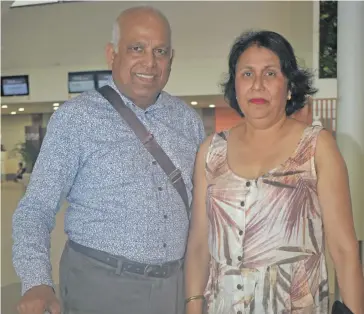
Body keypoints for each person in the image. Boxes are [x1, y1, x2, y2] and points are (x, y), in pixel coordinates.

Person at [13, 6, 205, 314]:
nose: (150, 62)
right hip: (100, 288)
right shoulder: (77, 118)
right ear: (111, 54)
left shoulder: (187, 121)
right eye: (136, 48)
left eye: (160, 51)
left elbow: (200, 212)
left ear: (172, 58)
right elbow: (35, 209)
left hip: (176, 287)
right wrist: (36, 281)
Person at [184, 30, 364, 314]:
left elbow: (344, 249)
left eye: (270, 74)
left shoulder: (317, 147)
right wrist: (193, 306)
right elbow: (198, 242)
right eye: (246, 74)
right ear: (235, 85)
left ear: (289, 85)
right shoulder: (211, 151)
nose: (257, 85)